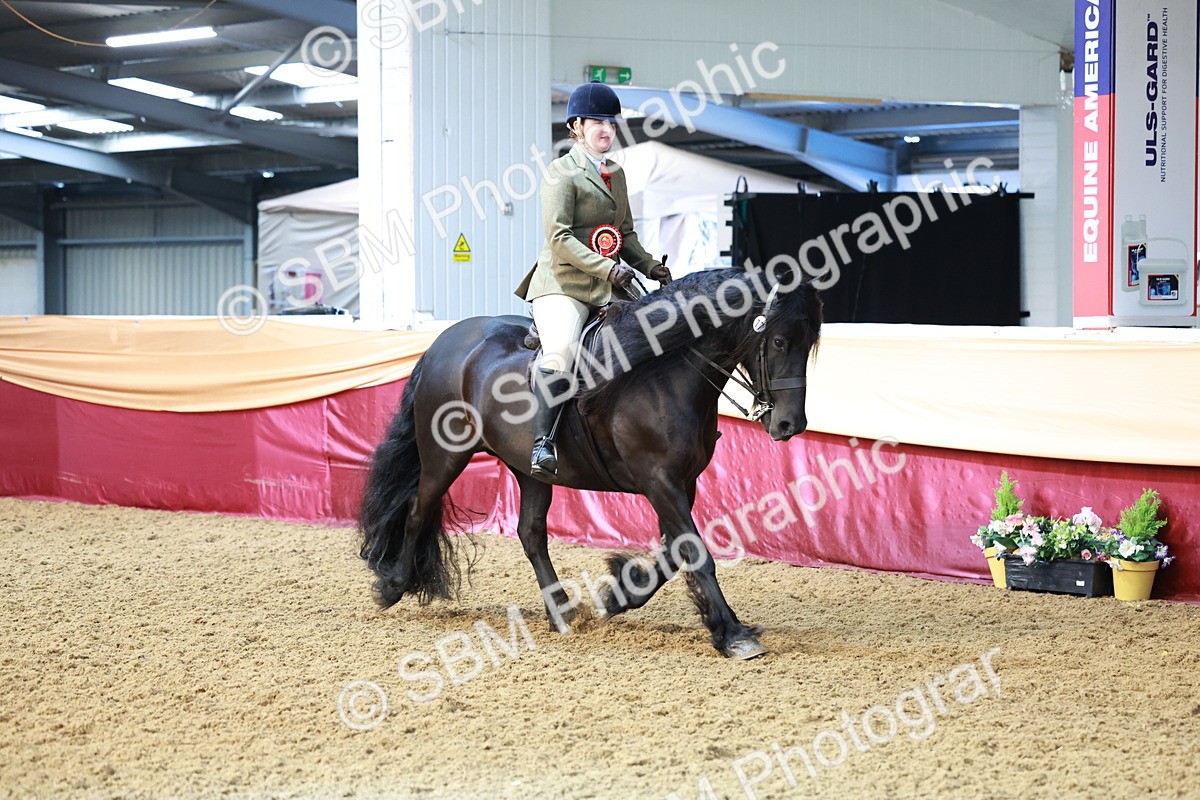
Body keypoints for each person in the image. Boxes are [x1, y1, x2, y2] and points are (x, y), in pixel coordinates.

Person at [514, 80, 672, 478]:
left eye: (611, 123)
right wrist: (608, 269)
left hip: (610, 284)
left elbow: (626, 234)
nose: (606, 129)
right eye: (597, 122)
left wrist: (650, 266)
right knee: (562, 350)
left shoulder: (615, 173)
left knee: (652, 338)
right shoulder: (559, 173)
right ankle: (542, 444)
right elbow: (559, 237)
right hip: (563, 283)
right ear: (577, 127)